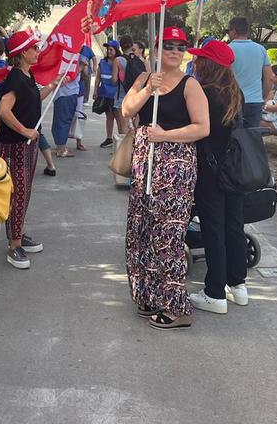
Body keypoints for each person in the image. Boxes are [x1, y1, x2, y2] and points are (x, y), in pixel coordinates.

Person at [121, 27, 209, 330]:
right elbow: (126, 110)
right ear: (155, 50)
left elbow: (202, 127)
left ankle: (176, 305)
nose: (174, 50)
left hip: (175, 169)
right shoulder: (145, 79)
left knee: (167, 236)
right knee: (141, 231)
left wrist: (166, 135)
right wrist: (147, 89)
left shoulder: (190, 85)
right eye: (168, 45)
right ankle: (149, 294)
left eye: (180, 46)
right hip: (144, 165)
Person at [188, 40, 247, 315]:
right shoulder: (236, 93)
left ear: (208, 64)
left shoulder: (204, 93)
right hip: (235, 171)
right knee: (234, 227)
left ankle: (215, 292)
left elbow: (196, 130)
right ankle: (238, 285)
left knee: (214, 229)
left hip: (210, 171)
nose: (195, 63)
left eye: (200, 59)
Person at [0, 30, 59, 269]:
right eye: (33, 48)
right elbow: (3, 110)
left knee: (24, 192)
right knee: (17, 194)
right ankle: (14, 245)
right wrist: (24, 130)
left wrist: (53, 85)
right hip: (15, 146)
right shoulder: (15, 79)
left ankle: (18, 234)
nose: (37, 51)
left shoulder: (26, 76)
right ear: (22, 53)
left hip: (27, 145)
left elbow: (33, 100)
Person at [227, 17, 274, 127]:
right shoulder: (261, 49)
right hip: (255, 100)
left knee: (234, 137)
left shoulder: (227, 49)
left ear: (233, 30)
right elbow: (269, 77)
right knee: (252, 137)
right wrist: (263, 96)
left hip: (233, 100)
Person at [94, 40, 125, 147]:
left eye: (111, 49)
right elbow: (98, 78)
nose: (109, 52)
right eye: (108, 49)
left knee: (119, 117)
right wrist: (95, 91)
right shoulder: (102, 63)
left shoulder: (120, 62)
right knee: (109, 116)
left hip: (116, 95)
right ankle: (109, 138)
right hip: (105, 93)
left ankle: (122, 138)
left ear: (116, 50)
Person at [50, 64, 80, 160]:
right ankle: (61, 149)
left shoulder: (62, 55)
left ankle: (59, 145)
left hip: (60, 92)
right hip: (68, 92)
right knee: (64, 120)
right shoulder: (76, 55)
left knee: (59, 119)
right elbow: (80, 70)